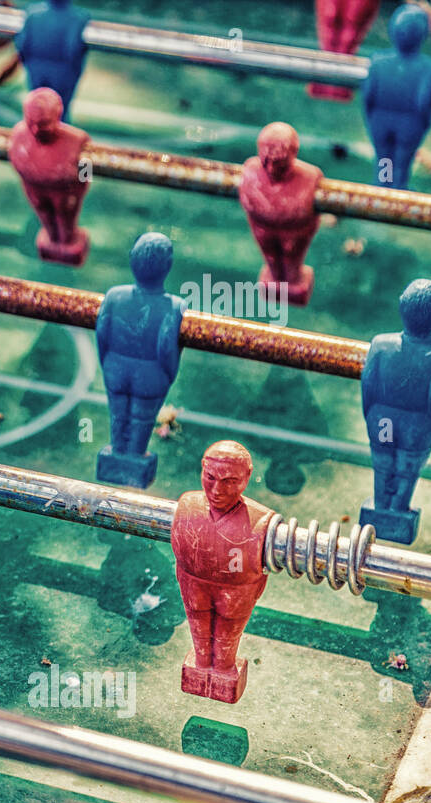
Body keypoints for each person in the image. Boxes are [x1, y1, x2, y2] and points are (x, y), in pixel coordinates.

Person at [171, 441, 275, 704]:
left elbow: (259, 572)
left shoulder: (260, 520)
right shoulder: (187, 505)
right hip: (193, 584)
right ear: (202, 470)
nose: (217, 490)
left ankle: (225, 672)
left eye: (230, 481)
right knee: (201, 644)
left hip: (237, 591)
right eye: (210, 477)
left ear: (247, 477)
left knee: (227, 641)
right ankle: (201, 667)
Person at [95, 232, 184, 488]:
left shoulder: (114, 295)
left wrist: (109, 364)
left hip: (116, 368)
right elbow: (166, 347)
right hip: (150, 375)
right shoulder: (174, 305)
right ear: (167, 266)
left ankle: (116, 455)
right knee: (142, 420)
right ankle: (134, 460)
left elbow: (102, 334)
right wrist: (168, 374)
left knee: (118, 415)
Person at [360, 278, 431, 543]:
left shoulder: (381, 344)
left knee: (382, 464)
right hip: (418, 426)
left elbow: (368, 386)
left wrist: (371, 415)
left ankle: (380, 507)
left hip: (382, 419)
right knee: (407, 469)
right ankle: (399, 511)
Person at [238, 122, 322, 306]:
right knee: (271, 259)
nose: (270, 167)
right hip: (262, 228)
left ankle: (292, 281)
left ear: (293, 154)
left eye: (278, 162)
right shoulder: (251, 170)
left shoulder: (309, 176)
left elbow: (312, 216)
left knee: (291, 262)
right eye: (265, 160)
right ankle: (279, 278)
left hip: (296, 231)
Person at [10, 87, 91, 265]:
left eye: (44, 123)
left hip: (64, 194)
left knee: (65, 224)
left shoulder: (77, 140)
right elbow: (16, 158)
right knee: (46, 219)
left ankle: (66, 242)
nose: (36, 129)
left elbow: (87, 169)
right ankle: (53, 239)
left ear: (58, 117)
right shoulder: (19, 134)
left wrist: (80, 191)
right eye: (31, 122)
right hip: (34, 191)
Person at [361, 3, 431, 190]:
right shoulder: (428, 68)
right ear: (423, 35)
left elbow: (368, 95)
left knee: (384, 158)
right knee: (403, 162)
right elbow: (424, 101)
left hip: (380, 121)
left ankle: (382, 189)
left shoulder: (378, 61)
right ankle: (398, 193)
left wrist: (372, 119)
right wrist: (423, 123)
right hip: (410, 125)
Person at [15, 0, 90, 121]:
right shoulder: (78, 17)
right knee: (59, 115)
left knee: (36, 112)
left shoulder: (33, 13)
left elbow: (22, 44)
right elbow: (72, 48)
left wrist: (31, 65)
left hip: (36, 68)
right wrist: (75, 70)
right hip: (64, 71)